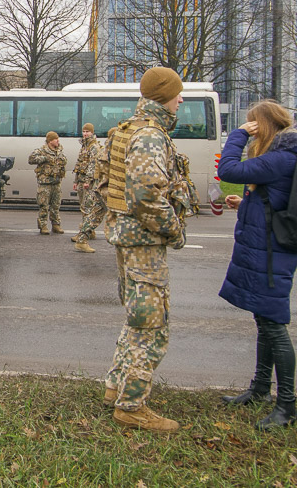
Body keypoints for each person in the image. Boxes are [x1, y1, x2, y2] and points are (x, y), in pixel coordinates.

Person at [217, 100, 297, 430]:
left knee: (274, 324)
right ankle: (260, 389)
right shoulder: (286, 157)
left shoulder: (280, 157)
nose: (251, 131)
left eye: (253, 125)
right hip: (268, 248)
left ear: (264, 126)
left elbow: (229, 170)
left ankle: (287, 406)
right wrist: (246, 201)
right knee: (264, 319)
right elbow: (274, 197)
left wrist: (236, 134)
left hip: (271, 253)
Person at [102, 67, 187, 432]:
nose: (182, 100)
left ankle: (115, 386)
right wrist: (175, 230)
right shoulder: (150, 136)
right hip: (144, 239)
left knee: (136, 318)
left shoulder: (129, 129)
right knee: (152, 325)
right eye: (178, 94)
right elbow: (147, 196)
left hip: (128, 235)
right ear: (164, 96)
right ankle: (132, 406)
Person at [71, 123, 105, 253]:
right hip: (82, 181)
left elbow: (93, 165)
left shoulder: (94, 147)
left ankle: (84, 234)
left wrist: (88, 180)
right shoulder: (84, 146)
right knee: (85, 207)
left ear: (92, 132)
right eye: (84, 131)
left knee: (89, 208)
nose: (85, 134)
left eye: (87, 132)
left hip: (88, 182)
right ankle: (86, 233)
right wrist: (76, 180)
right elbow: (79, 164)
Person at [28, 131, 66, 235]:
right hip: (45, 183)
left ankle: (56, 225)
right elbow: (31, 159)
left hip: (56, 182)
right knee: (43, 205)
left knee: (56, 205)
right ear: (50, 141)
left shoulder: (59, 151)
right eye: (55, 139)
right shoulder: (41, 150)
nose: (58, 140)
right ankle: (43, 225)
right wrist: (44, 158)